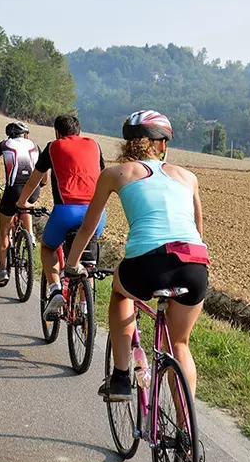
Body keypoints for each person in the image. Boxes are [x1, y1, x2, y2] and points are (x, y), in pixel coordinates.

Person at [64, 110, 210, 401]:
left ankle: (120, 377)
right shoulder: (188, 177)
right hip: (193, 264)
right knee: (180, 344)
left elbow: (88, 229)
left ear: (127, 143)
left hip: (147, 263)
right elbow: (198, 230)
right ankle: (185, 438)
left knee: (121, 294)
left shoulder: (114, 174)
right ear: (162, 145)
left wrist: (71, 265)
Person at [16, 114, 105, 319]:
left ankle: (56, 289)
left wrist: (22, 202)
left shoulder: (53, 146)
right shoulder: (95, 145)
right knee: (86, 261)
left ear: (57, 132)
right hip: (96, 213)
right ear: (79, 131)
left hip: (66, 211)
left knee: (48, 247)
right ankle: (84, 306)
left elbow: (33, 181)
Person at [0, 121, 43, 286]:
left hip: (13, 190)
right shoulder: (35, 145)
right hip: (33, 190)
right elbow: (45, 175)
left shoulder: (4, 144)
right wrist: (41, 185)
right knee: (25, 204)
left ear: (9, 135)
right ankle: (30, 235)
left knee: (4, 231)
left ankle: (3, 271)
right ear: (25, 134)